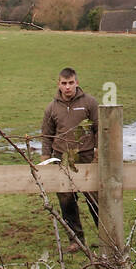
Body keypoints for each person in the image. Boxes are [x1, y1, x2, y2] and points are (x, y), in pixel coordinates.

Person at [40, 67, 100, 252]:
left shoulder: (90, 103)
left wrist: (98, 155)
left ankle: (107, 237)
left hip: (86, 157)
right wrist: (45, 161)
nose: (68, 87)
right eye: (64, 83)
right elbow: (46, 135)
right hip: (61, 159)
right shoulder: (52, 108)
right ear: (58, 84)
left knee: (95, 198)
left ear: (77, 83)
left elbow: (100, 128)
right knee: (66, 201)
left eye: (71, 83)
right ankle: (76, 241)